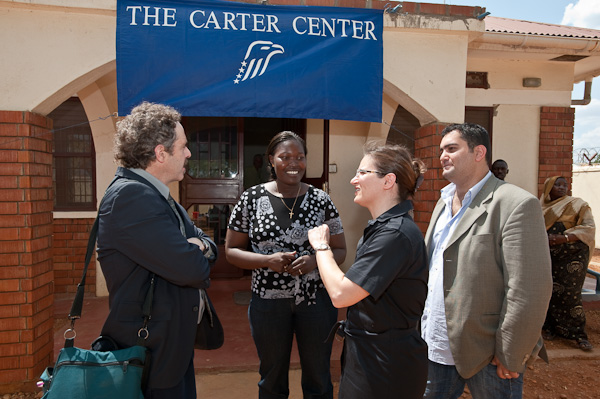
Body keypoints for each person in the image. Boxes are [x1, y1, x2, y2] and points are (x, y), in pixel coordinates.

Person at [421, 123, 552, 399]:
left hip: (488, 353)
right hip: (436, 346)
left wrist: (511, 352)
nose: (443, 155)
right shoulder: (442, 203)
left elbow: (529, 289)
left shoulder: (515, 204)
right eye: (441, 150)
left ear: (479, 152)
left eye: (452, 149)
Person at [97, 102, 217, 399]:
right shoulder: (132, 196)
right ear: (161, 153)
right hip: (150, 353)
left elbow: (209, 245)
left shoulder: (155, 194)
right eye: (183, 146)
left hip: (167, 348)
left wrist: (198, 245)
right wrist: (195, 250)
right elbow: (194, 269)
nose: (188, 153)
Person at [225, 131, 347, 399]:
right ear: (272, 160)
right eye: (285, 157)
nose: (294, 163)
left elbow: (340, 250)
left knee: (318, 376)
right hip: (268, 303)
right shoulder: (251, 199)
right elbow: (232, 251)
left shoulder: (321, 200)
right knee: (271, 377)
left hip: (316, 301)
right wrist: (266, 261)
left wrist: (315, 261)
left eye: (300, 157)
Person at [307, 143, 429, 398]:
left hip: (386, 366)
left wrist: (321, 246)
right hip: (372, 356)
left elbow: (341, 294)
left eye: (362, 173)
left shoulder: (394, 235)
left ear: (388, 181)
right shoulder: (386, 228)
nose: (354, 179)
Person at [540, 176, 596, 351]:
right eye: (557, 185)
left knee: (571, 294)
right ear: (549, 188)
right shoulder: (539, 208)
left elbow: (588, 228)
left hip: (572, 257)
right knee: (548, 292)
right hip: (548, 255)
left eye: (565, 185)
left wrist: (562, 238)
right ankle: (550, 328)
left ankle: (579, 334)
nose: (562, 188)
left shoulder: (578, 204)